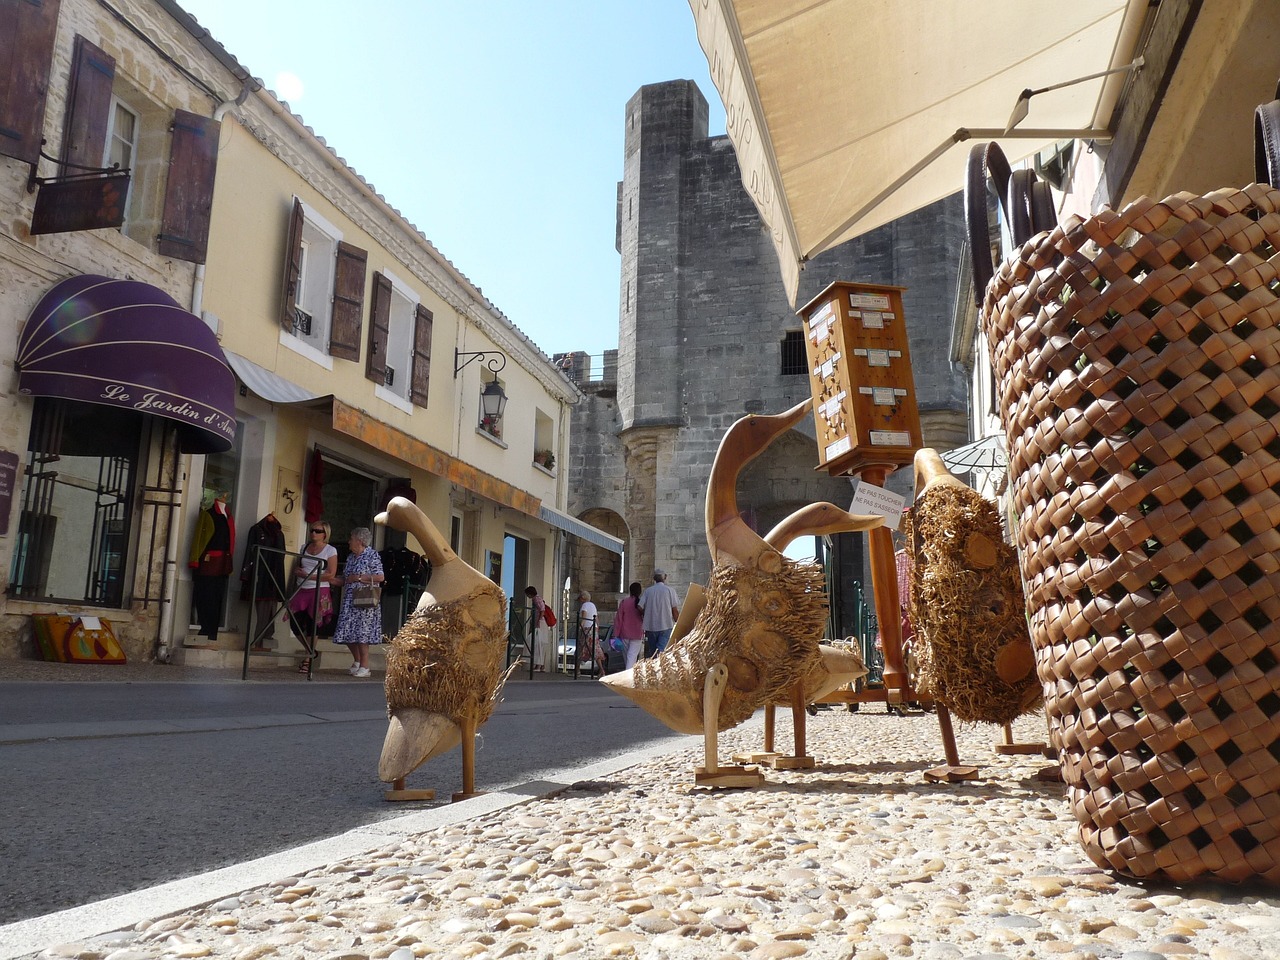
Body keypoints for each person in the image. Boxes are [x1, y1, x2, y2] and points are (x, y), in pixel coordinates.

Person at [332, 527, 385, 678]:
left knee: (362, 634)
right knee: (345, 631)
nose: (349, 541)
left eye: (351, 539)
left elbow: (380, 577)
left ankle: (365, 666)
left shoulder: (371, 555)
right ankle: (357, 661)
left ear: (360, 541)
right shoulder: (350, 558)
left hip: (365, 601)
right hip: (350, 599)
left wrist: (360, 578)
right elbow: (345, 578)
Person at [289, 520, 338, 673]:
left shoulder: (330, 550)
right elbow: (300, 566)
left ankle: (308, 658)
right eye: (312, 530)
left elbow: (331, 574)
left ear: (325, 534)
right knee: (294, 622)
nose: (313, 533)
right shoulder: (304, 548)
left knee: (313, 625)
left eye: (317, 531)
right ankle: (310, 650)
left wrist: (307, 576)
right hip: (301, 589)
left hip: (319, 590)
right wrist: (299, 573)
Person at [189, 492, 235, 643]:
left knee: (217, 597)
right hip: (208, 563)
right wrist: (195, 559)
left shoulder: (229, 517)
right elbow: (198, 539)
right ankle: (205, 627)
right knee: (205, 595)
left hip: (223, 564)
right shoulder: (207, 514)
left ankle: (213, 630)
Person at [240, 512, 285, 648]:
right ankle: (258, 642)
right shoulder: (256, 530)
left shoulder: (279, 533)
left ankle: (267, 640)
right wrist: (246, 575)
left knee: (272, 610)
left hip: (275, 576)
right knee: (263, 611)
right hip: (261, 574)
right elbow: (250, 551)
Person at [638, 569, 680, 658]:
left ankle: (653, 667)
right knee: (661, 651)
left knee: (653, 651)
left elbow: (639, 607)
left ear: (654, 578)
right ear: (665, 578)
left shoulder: (648, 591)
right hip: (666, 625)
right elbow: (674, 610)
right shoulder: (670, 590)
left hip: (651, 626)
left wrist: (646, 614)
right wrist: (678, 623)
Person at [613, 581, 645, 669]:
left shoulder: (624, 602)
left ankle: (628, 673)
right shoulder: (641, 603)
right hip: (637, 633)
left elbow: (619, 619)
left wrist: (616, 634)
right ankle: (629, 674)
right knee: (632, 656)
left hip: (625, 633)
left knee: (627, 656)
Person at [524, 585, 549, 672]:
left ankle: (538, 666)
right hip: (540, 623)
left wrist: (538, 621)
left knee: (537, 644)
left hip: (539, 624)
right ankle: (541, 666)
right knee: (540, 645)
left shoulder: (536, 599)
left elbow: (542, 610)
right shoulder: (538, 599)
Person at [577, 590, 601, 674]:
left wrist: (580, 628)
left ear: (583, 598)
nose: (579, 600)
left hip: (587, 629)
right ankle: (602, 670)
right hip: (594, 628)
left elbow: (584, 618)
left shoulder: (584, 605)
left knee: (581, 648)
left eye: (580, 598)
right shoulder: (593, 605)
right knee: (594, 650)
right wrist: (597, 627)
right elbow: (596, 618)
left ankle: (577, 671)